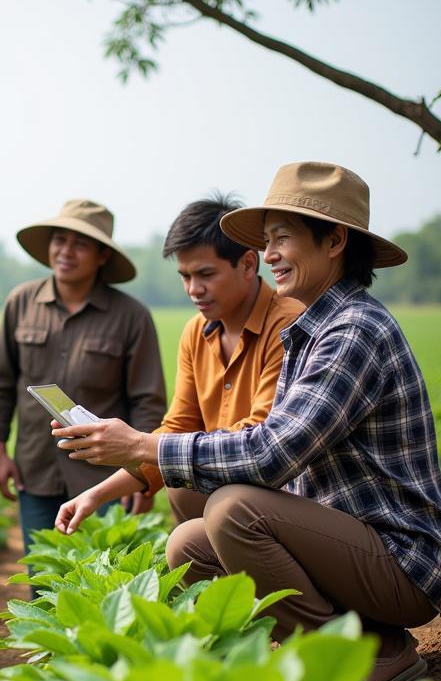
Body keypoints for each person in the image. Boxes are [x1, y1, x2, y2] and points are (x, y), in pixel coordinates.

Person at [54, 162, 441, 681]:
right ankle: (337, 640)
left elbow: (272, 453)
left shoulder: (352, 331)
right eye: (267, 240)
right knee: (188, 547)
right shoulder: (313, 328)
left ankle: (367, 655)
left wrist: (139, 444)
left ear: (335, 240)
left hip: (404, 559)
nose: (271, 254)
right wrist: (124, 469)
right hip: (348, 538)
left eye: (282, 239)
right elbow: (218, 435)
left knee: (232, 508)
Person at [62, 195, 302, 527]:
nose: (194, 289)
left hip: (286, 498)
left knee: (205, 494)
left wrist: (139, 444)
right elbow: (179, 426)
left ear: (248, 264)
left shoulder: (288, 325)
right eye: (185, 276)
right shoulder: (195, 332)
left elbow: (259, 437)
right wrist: (98, 493)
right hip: (230, 494)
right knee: (182, 488)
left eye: (205, 274)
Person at [0, 199, 167, 553]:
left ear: (101, 256)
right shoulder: (20, 302)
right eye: (59, 240)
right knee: (40, 577)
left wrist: (139, 475)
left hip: (105, 477)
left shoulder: (131, 316)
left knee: (98, 582)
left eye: (80, 244)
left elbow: (147, 401)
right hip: (34, 468)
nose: (66, 252)